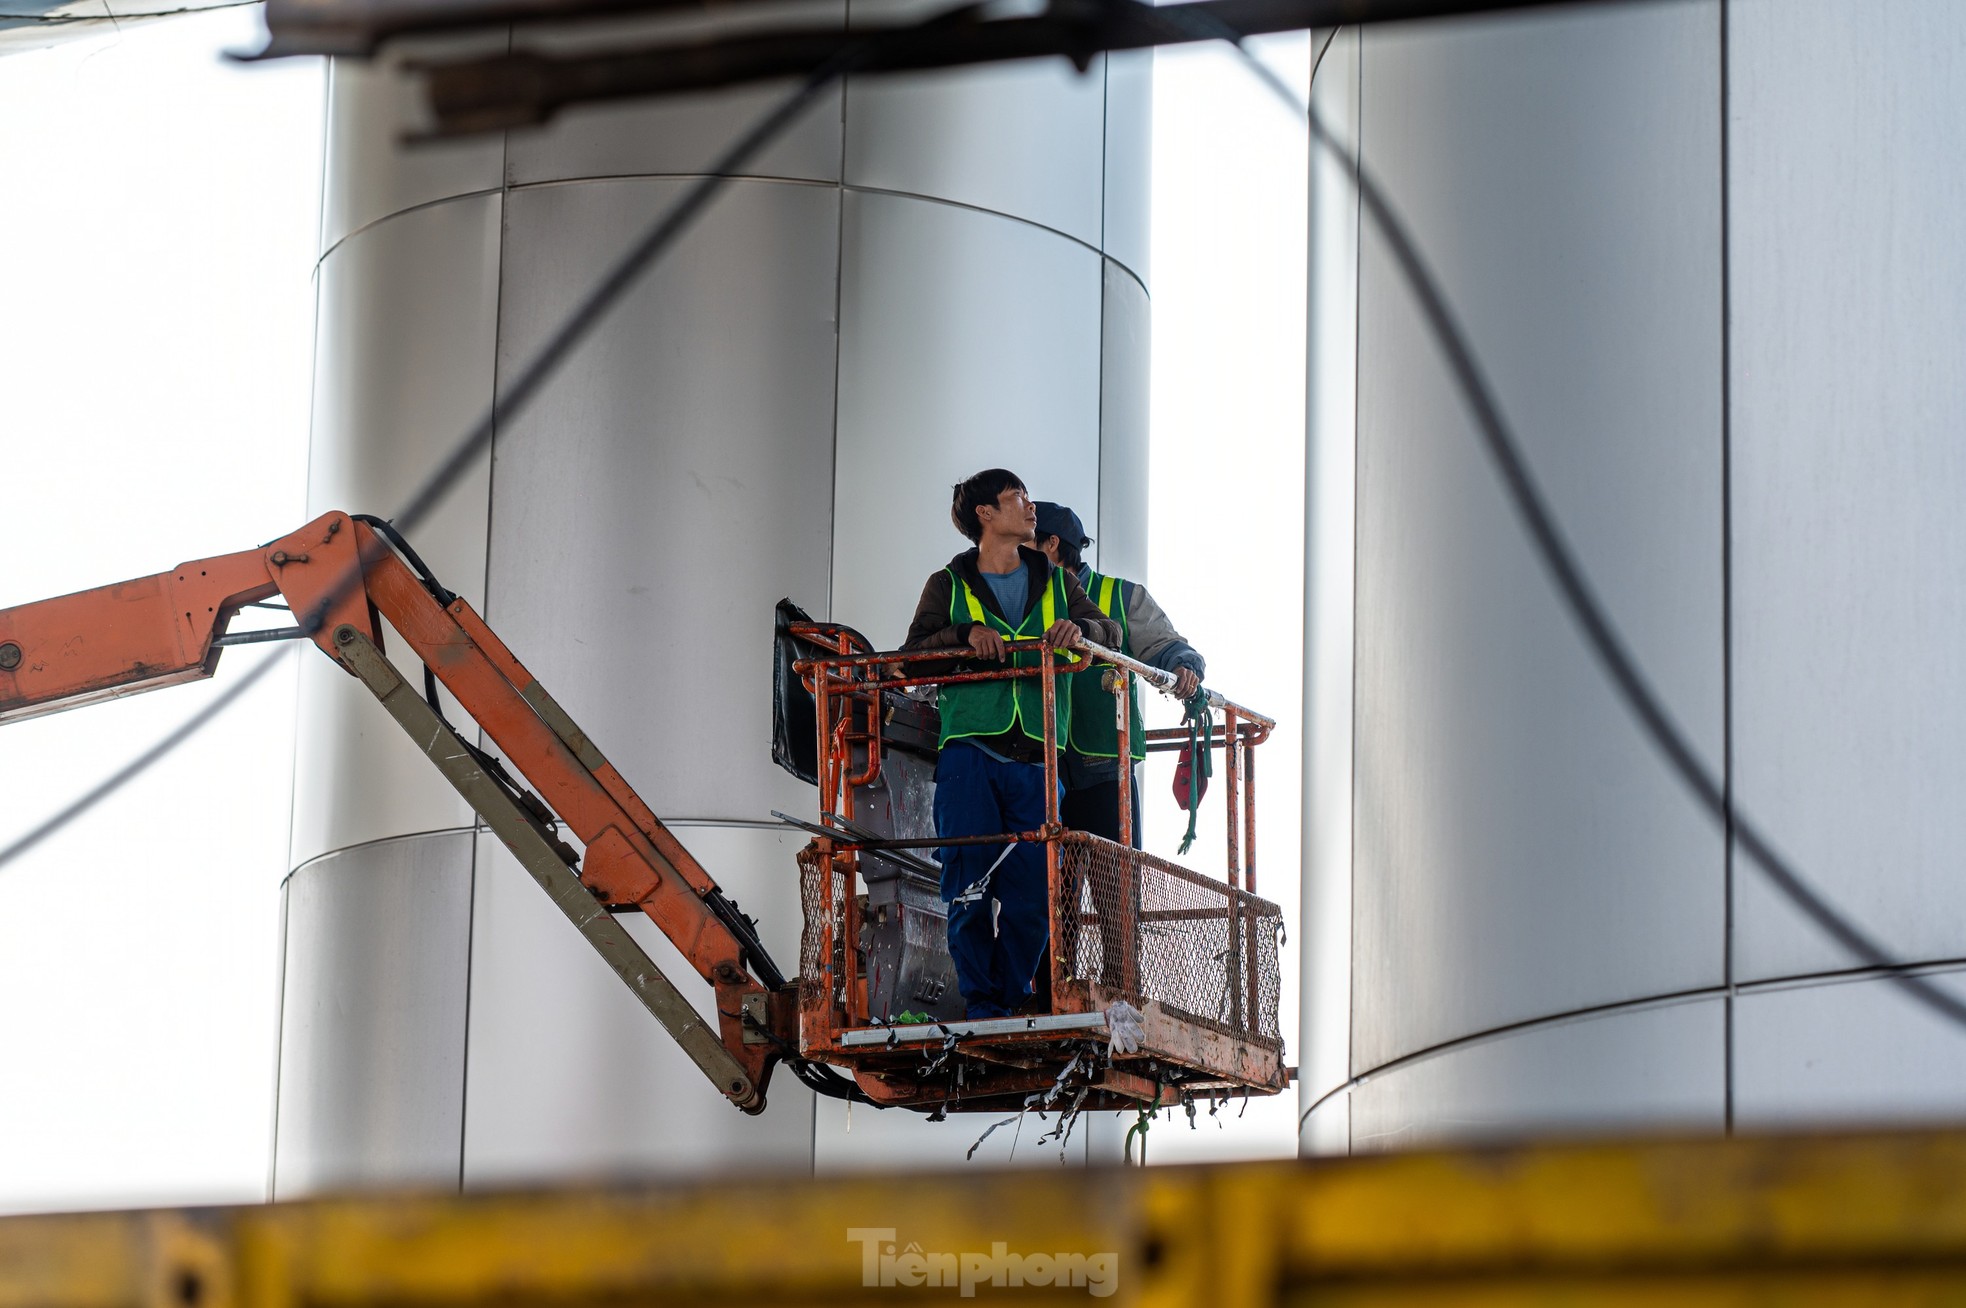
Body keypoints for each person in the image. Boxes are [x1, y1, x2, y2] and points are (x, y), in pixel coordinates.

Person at [901, 469, 1122, 1019]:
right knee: (968, 886)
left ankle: (1009, 996)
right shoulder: (947, 584)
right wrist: (962, 636)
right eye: (1016, 498)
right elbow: (910, 657)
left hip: (1037, 760)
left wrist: (1082, 632)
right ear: (986, 515)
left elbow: (1110, 633)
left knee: (1035, 899)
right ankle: (984, 1005)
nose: (1030, 507)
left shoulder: (1057, 581)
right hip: (970, 754)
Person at [1032, 500, 1206, 847]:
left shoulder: (1121, 596)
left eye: (1024, 541)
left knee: (1117, 891)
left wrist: (1185, 667)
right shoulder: (1019, 592)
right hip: (1039, 763)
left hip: (1103, 767)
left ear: (1051, 544)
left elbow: (1166, 645)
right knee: (1050, 894)